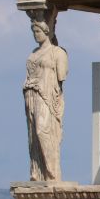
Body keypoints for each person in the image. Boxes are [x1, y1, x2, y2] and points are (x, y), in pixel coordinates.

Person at [23, 20, 68, 181]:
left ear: (47, 32)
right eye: (34, 32)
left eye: (38, 32)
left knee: (42, 130)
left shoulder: (57, 52)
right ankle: (38, 173)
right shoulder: (33, 53)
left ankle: (52, 171)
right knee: (33, 135)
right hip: (31, 94)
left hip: (46, 95)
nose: (35, 35)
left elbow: (62, 75)